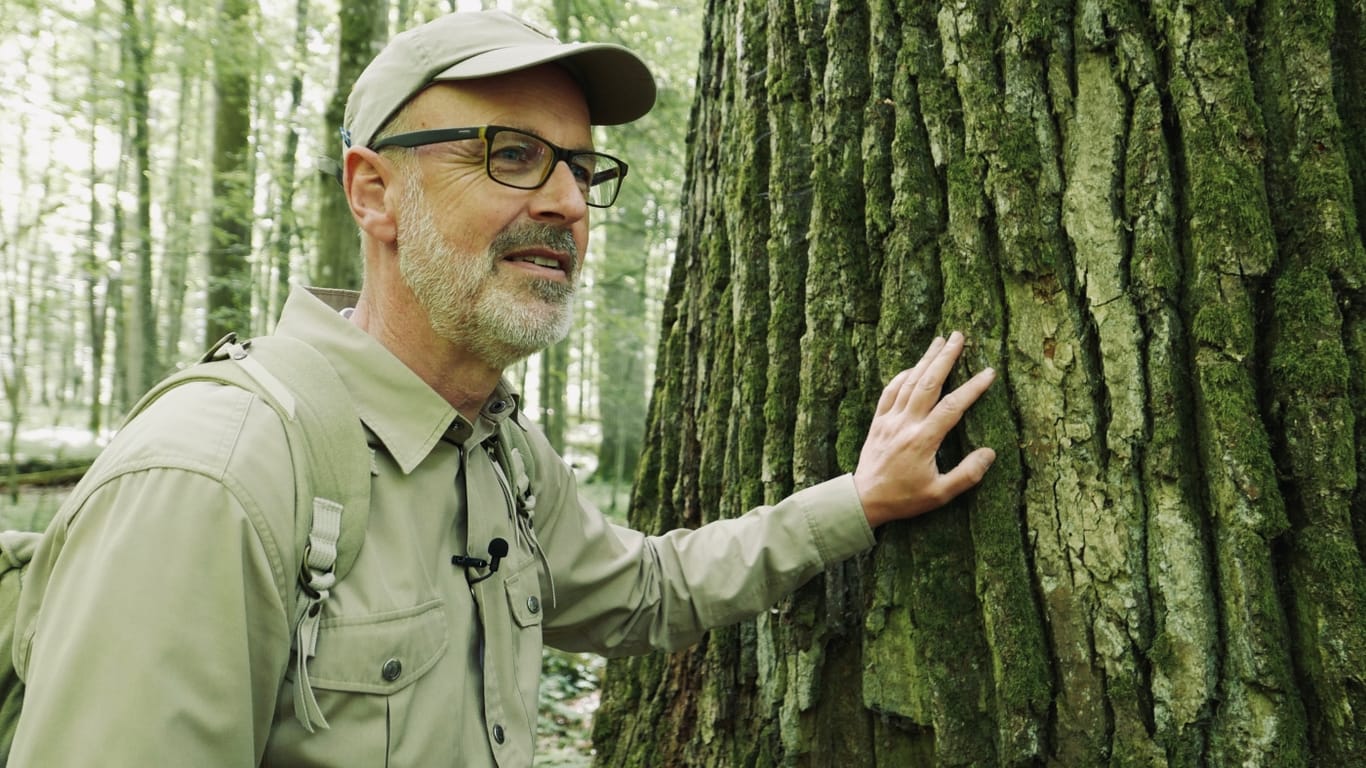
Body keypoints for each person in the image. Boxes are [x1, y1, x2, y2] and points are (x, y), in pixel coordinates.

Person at [9, 9, 996, 767]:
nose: (567, 202)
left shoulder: (496, 453)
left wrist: (860, 502)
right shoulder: (217, 480)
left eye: (579, 168)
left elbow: (647, 590)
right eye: (511, 156)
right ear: (372, 190)